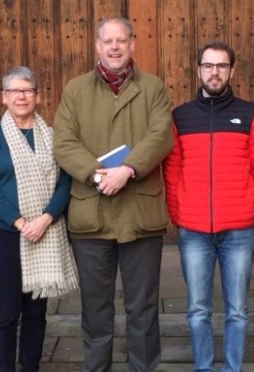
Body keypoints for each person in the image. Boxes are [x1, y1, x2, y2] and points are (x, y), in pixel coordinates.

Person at [53, 16, 173, 372]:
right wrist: (95, 174)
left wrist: (128, 170)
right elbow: (64, 141)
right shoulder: (75, 90)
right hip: (92, 216)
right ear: (97, 46)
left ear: (133, 44)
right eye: (108, 41)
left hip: (140, 215)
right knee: (95, 308)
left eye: (122, 41)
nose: (115, 47)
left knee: (144, 307)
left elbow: (161, 133)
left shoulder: (153, 88)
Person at [163, 41, 254, 372]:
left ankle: (232, 368)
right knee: (198, 308)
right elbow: (173, 169)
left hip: (239, 229)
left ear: (231, 71)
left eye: (221, 66)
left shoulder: (251, 114)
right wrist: (178, 214)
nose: (214, 72)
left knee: (237, 309)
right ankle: (204, 367)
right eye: (208, 66)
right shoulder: (180, 116)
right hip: (193, 230)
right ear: (198, 70)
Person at [0, 66, 78, 372]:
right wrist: (21, 222)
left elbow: (65, 182)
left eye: (27, 90)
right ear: (4, 97)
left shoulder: (53, 136)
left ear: (38, 96)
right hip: (3, 234)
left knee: (36, 312)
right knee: (7, 311)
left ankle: (30, 367)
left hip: (45, 232)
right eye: (14, 91)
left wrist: (44, 220)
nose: (21, 96)